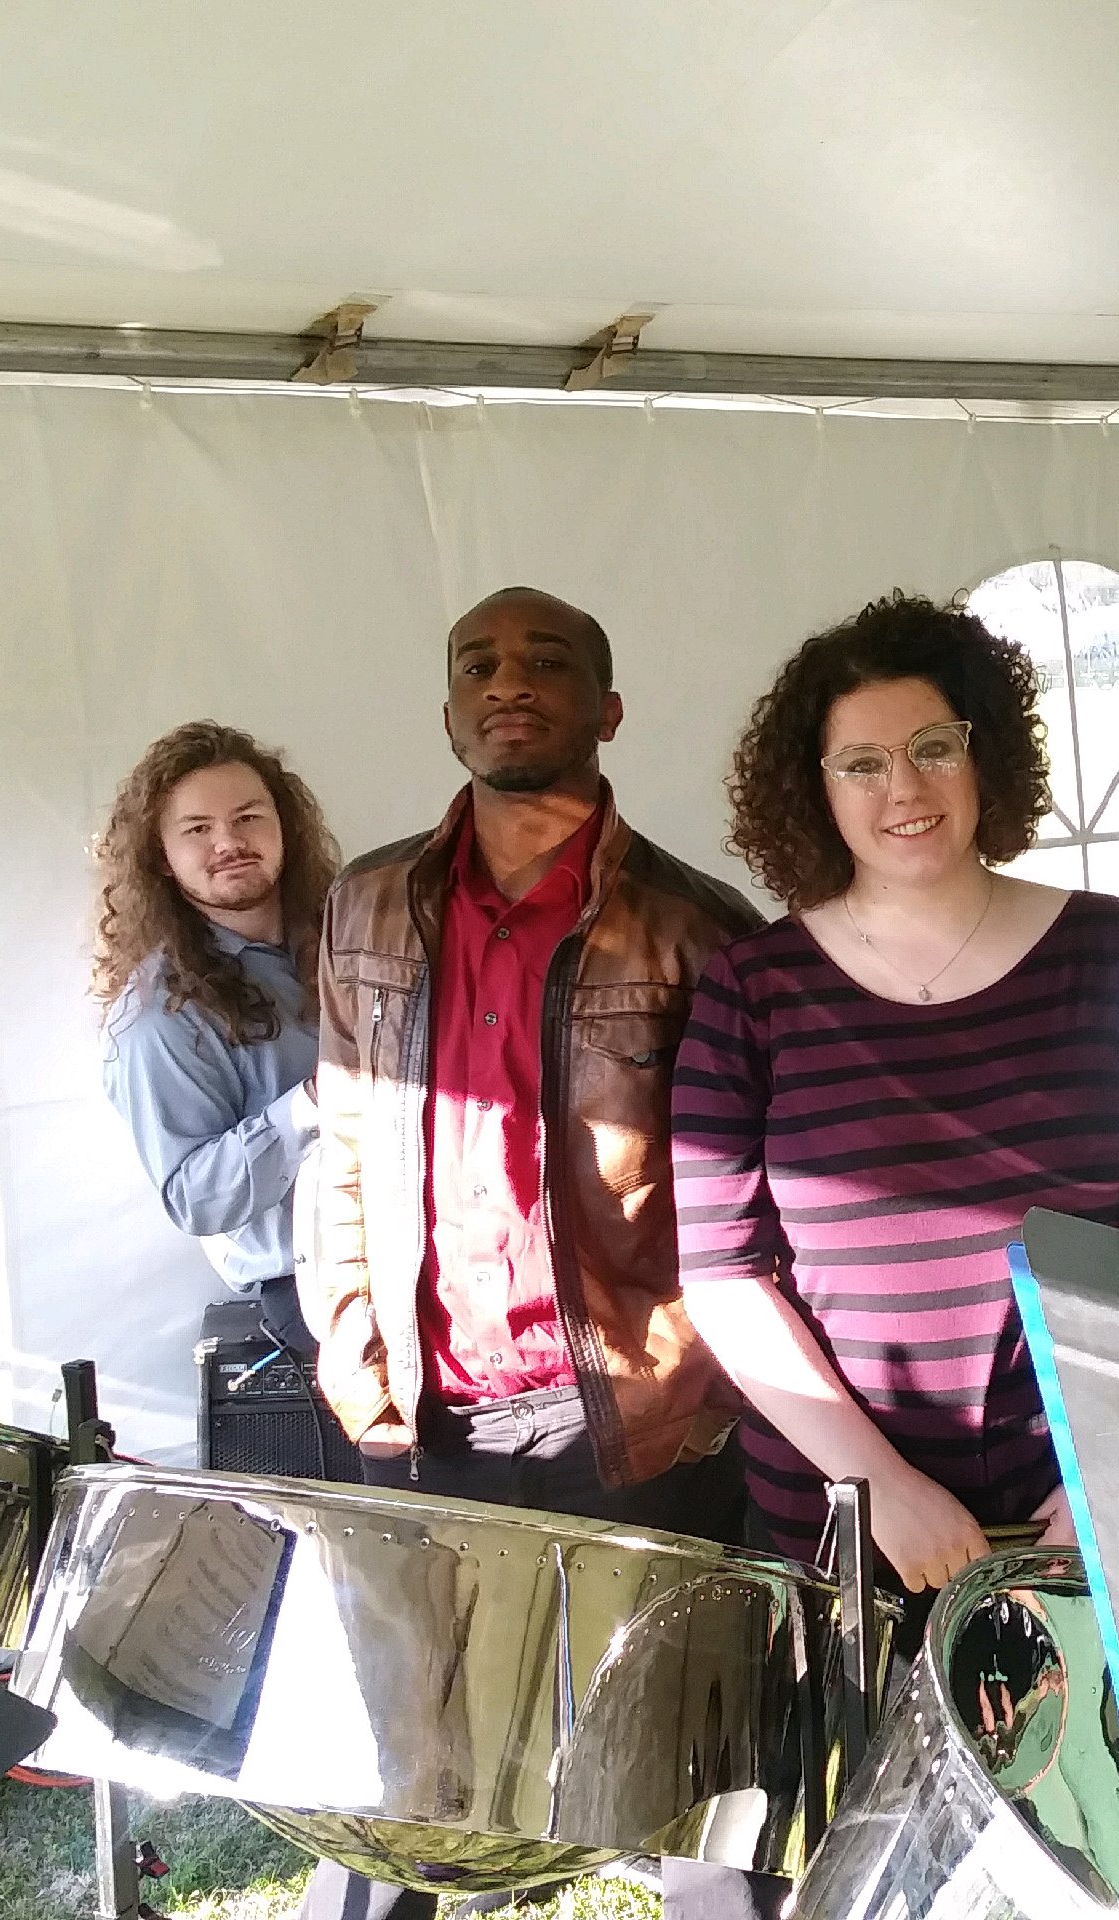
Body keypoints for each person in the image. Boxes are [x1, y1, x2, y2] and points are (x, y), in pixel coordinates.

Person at [300, 586, 762, 1920]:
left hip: (625, 1412)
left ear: (607, 711)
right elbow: (338, 1139)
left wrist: (704, 1387)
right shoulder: (366, 905)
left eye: (547, 662)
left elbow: (742, 1192)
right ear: (449, 712)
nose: (510, 682)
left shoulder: (698, 928)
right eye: (480, 664)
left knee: (686, 1784)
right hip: (422, 1406)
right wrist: (349, 1331)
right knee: (413, 1786)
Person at [672, 591, 1119, 1598]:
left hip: (1077, 1497)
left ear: (986, 754)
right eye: (861, 763)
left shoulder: (1109, 949)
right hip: (849, 1526)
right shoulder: (752, 989)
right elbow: (722, 1275)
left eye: (933, 745)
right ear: (816, 790)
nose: (903, 787)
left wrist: (1109, 1460)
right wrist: (876, 1483)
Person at [96, 721, 339, 1356]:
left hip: (438, 1258)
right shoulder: (155, 1017)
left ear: (284, 826)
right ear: (162, 856)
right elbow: (195, 1198)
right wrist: (312, 1103)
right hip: (316, 1293)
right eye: (198, 829)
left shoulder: (354, 938)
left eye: (248, 817)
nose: (229, 842)